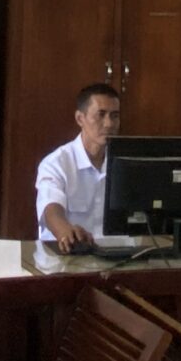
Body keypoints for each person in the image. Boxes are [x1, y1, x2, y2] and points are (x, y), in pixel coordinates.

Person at [37, 83, 121, 251]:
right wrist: (65, 231)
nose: (108, 124)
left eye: (114, 116)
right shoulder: (56, 163)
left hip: (118, 255)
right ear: (80, 119)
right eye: (101, 115)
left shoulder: (125, 162)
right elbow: (50, 208)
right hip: (69, 254)